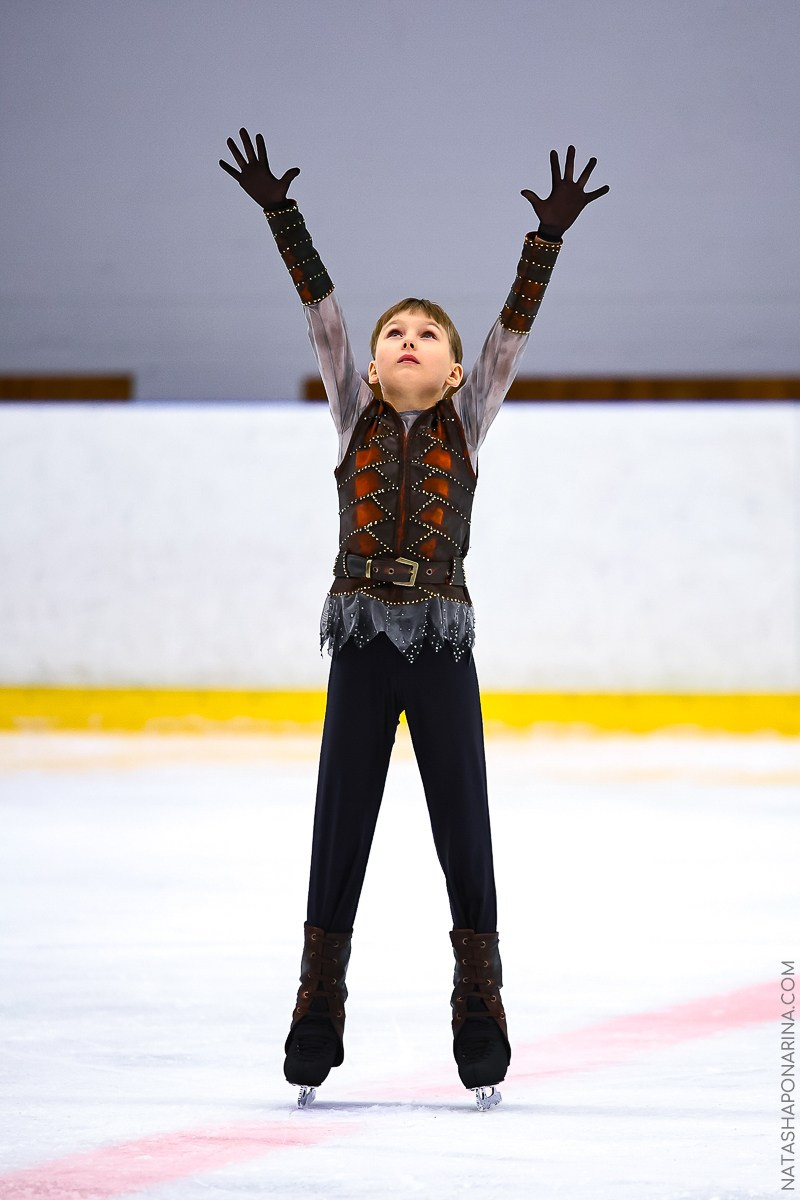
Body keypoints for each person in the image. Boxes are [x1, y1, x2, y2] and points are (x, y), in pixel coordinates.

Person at [220, 128, 608, 1108]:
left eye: (428, 336)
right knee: (335, 830)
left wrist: (542, 246)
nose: (406, 339)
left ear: (449, 376)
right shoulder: (349, 415)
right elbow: (322, 313)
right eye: (396, 331)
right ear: (367, 369)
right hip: (358, 644)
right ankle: (318, 1004)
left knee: (462, 830)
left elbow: (509, 338)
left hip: (440, 648)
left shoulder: (466, 423)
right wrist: (282, 215)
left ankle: (479, 1004)